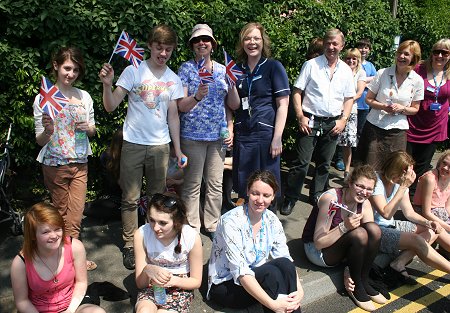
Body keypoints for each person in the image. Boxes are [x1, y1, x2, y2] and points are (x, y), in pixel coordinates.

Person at [99, 25, 187, 270]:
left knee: (157, 198)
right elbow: (111, 105)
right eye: (159, 48)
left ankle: (153, 238)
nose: (163, 53)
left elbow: (173, 117)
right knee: (130, 198)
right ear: (150, 45)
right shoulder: (133, 71)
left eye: (168, 49)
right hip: (133, 144)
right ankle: (129, 244)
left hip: (160, 146)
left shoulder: (173, 79)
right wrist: (107, 85)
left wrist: (177, 150)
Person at [33, 46, 97, 271]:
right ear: (56, 66)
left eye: (76, 70)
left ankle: (72, 255)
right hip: (55, 164)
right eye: (67, 68)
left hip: (80, 163)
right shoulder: (45, 98)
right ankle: (62, 257)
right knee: (60, 213)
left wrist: (89, 128)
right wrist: (48, 131)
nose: (71, 74)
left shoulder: (84, 96)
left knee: (76, 214)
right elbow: (40, 140)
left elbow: (93, 130)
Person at [283, 28, 355, 215]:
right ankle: (291, 197)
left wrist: (343, 120)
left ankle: (317, 195)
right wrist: (300, 116)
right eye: (328, 42)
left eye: (335, 43)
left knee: (325, 163)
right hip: (310, 120)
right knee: (301, 163)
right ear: (324, 44)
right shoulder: (311, 65)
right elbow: (297, 91)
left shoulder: (347, 70)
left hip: (333, 123)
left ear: (342, 46)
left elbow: (348, 98)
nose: (331, 47)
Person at [208, 170, 303, 313]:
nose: (260, 200)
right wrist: (274, 305)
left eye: (266, 195)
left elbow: (285, 257)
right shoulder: (231, 221)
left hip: (257, 277)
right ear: (247, 191)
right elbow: (241, 272)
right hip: (227, 285)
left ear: (273, 196)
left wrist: (299, 291)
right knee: (272, 274)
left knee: (284, 264)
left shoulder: (272, 219)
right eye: (255, 193)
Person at [177, 24, 239, 237]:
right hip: (192, 137)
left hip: (217, 138)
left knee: (215, 184)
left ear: (212, 44)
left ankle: (212, 224)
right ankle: (192, 226)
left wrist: (230, 128)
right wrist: (197, 96)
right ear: (192, 46)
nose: (201, 43)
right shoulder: (186, 69)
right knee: (192, 185)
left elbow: (232, 105)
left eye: (205, 39)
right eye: (197, 40)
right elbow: (180, 106)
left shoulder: (224, 70)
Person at [302, 165, 383, 311]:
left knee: (374, 230)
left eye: (369, 189)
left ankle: (364, 280)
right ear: (350, 183)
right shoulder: (331, 199)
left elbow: (369, 241)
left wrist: (347, 267)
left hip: (342, 247)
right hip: (317, 251)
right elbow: (319, 242)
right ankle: (357, 287)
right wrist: (344, 227)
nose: (364, 192)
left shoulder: (364, 203)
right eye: (360, 186)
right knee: (360, 233)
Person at [232, 22, 290, 211]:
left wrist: (277, 138)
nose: (252, 42)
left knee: (267, 185)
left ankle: (269, 228)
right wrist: (230, 85)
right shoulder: (236, 70)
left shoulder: (273, 67)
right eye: (248, 38)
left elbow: (283, 104)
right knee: (245, 184)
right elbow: (233, 105)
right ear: (242, 42)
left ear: (263, 41)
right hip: (244, 134)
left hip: (266, 135)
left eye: (256, 38)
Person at [370, 151, 450, 284]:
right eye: (407, 172)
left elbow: (409, 213)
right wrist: (403, 187)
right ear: (396, 169)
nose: (409, 176)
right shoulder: (376, 181)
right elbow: (386, 213)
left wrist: (429, 223)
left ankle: (398, 263)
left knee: (432, 231)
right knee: (417, 241)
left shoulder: (400, 184)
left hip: (392, 225)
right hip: (376, 231)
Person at [10, 203, 105, 313]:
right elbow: (22, 301)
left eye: (57, 229)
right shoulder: (21, 263)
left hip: (72, 303)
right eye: (46, 232)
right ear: (32, 235)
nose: (54, 236)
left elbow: (81, 283)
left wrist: (70, 311)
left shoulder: (75, 247)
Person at [356, 40, 424, 170]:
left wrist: (402, 108)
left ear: (414, 58)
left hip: (397, 131)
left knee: (393, 169)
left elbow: (415, 109)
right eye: (399, 53)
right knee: (368, 168)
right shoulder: (383, 73)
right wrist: (383, 107)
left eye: (406, 54)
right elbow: (368, 99)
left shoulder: (417, 81)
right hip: (374, 127)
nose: (401, 57)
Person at [133, 193, 202, 313]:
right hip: (152, 282)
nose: (155, 228)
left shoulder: (191, 237)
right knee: (144, 310)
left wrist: (173, 281)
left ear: (177, 221)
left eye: (163, 223)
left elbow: (196, 281)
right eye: (152, 220)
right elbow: (140, 284)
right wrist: (147, 269)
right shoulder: (141, 234)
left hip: (180, 285)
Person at [407, 38, 450, 194]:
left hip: (435, 126)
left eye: (444, 52)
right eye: (436, 52)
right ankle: (398, 195)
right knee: (405, 164)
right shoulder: (419, 69)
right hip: (413, 122)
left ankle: (414, 197)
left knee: (423, 165)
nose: (439, 56)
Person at [337, 48, 367, 178]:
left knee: (347, 143)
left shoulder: (361, 73)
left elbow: (359, 93)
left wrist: (346, 103)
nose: (351, 61)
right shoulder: (339, 70)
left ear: (358, 60)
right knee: (332, 140)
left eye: (354, 58)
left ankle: (347, 170)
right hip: (335, 109)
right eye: (348, 58)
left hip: (350, 111)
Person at [414, 150, 450, 233]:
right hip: (427, 218)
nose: (445, 168)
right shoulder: (430, 179)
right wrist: (448, 228)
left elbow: (447, 207)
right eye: (444, 163)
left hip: (442, 217)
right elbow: (426, 212)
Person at [356, 38, 377, 138]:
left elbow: (375, 81)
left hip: (365, 105)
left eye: (366, 47)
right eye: (361, 47)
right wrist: (366, 81)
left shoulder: (370, 66)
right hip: (353, 103)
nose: (363, 50)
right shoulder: (352, 62)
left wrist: (362, 82)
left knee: (361, 132)